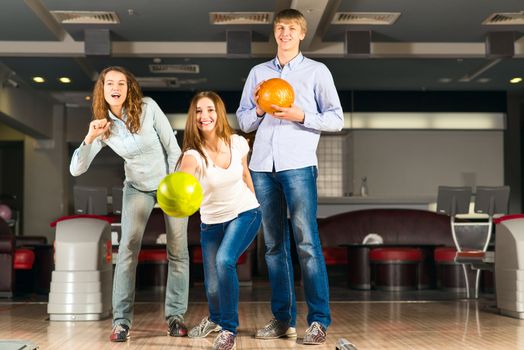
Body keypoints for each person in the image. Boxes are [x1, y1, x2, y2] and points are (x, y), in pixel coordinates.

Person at [236, 8, 344, 345]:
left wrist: (301, 115)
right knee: (272, 247)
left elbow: (336, 119)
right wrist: (257, 107)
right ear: (275, 33)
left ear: (301, 34)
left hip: (298, 165)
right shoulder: (258, 73)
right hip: (262, 167)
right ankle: (282, 319)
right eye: (280, 27)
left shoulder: (316, 72)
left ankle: (318, 321)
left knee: (307, 242)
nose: (284, 33)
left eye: (291, 28)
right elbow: (243, 122)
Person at [70, 66, 190, 342]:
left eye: (121, 83)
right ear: (102, 90)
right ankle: (121, 322)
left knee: (178, 250)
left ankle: (175, 317)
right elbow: (77, 169)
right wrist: (89, 137)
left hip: (168, 184)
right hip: (136, 188)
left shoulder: (148, 108)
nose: (115, 87)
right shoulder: (103, 126)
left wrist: (176, 187)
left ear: (128, 88)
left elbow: (173, 148)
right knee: (127, 251)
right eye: (109, 83)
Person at [178, 91, 261, 350]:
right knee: (212, 285)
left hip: (244, 213)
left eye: (210, 110)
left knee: (225, 261)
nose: (205, 116)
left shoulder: (237, 143)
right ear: (193, 118)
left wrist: (258, 203)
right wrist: (179, 187)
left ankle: (228, 330)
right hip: (211, 222)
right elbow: (184, 177)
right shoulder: (193, 154)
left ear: (219, 113)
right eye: (199, 111)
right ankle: (214, 319)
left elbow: (246, 173)